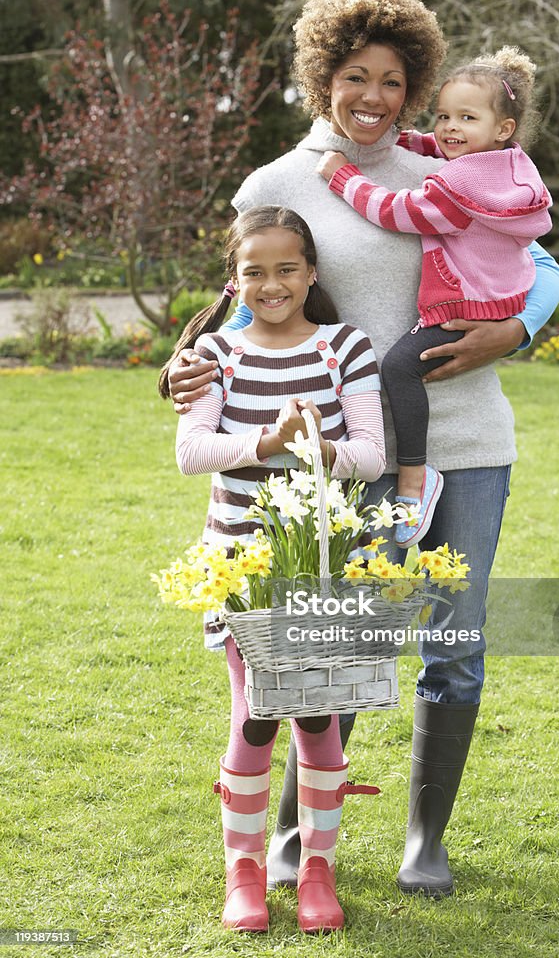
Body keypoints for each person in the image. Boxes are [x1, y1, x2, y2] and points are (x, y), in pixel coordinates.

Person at [164, 0, 559, 899]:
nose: (373, 97)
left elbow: (542, 267)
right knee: (330, 649)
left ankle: (424, 838)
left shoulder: (449, 168)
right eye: (354, 75)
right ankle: (303, 842)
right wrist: (183, 368)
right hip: (340, 460)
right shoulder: (276, 180)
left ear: (414, 84)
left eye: (391, 80)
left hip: (465, 445)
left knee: (454, 644)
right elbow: (246, 304)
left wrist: (517, 329)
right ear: (323, 77)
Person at [159, 206, 386, 933]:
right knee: (255, 716)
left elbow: (372, 456)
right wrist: (268, 439)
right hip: (239, 565)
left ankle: (316, 868)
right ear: (235, 277)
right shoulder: (215, 356)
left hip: (320, 566)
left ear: (310, 272)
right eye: (254, 271)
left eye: (287, 268)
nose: (272, 283)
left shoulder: (343, 348)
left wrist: (310, 446)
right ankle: (244, 873)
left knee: (318, 717)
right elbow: (191, 454)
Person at [316, 45, 552, 548]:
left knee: (399, 367)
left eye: (467, 117)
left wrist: (343, 176)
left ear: (502, 128)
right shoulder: (506, 171)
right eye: (444, 116)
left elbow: (394, 210)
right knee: (369, 622)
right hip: (350, 442)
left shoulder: (459, 187)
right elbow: (253, 290)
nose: (449, 128)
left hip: (468, 337)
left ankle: (414, 479)